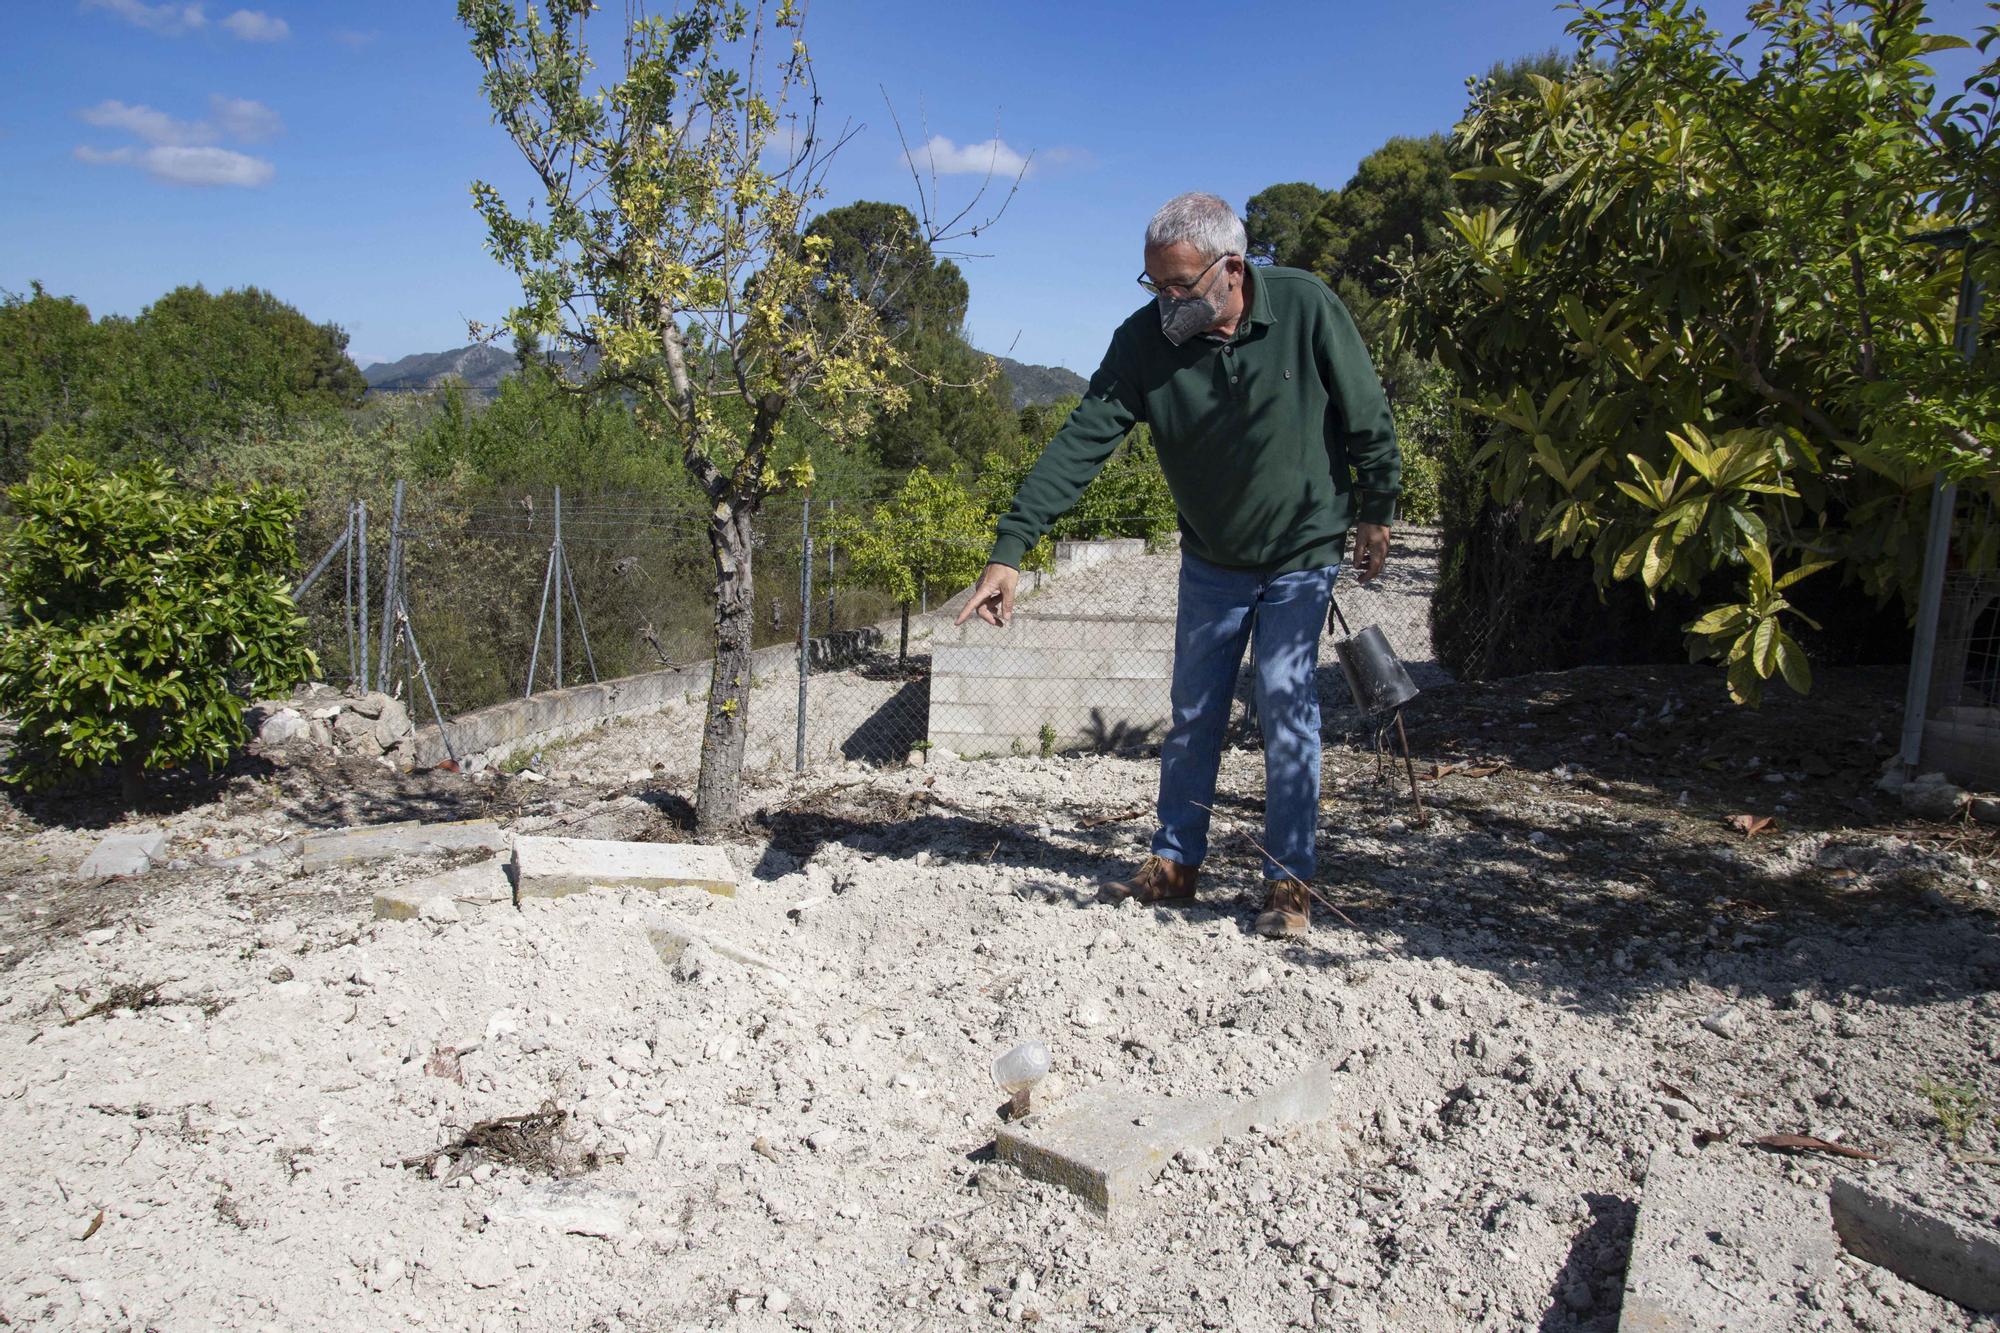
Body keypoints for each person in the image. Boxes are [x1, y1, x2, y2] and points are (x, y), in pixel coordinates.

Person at [955, 192, 1400, 938]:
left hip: (1301, 550)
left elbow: (1366, 411)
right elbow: (1081, 440)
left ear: (1232, 269)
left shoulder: (1307, 307)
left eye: (1179, 286)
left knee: (1287, 710)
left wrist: (1376, 507)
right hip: (1213, 559)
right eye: (1153, 285)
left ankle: (1287, 885)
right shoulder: (1143, 344)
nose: (1165, 302)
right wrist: (1012, 548)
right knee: (1194, 715)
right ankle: (1174, 864)